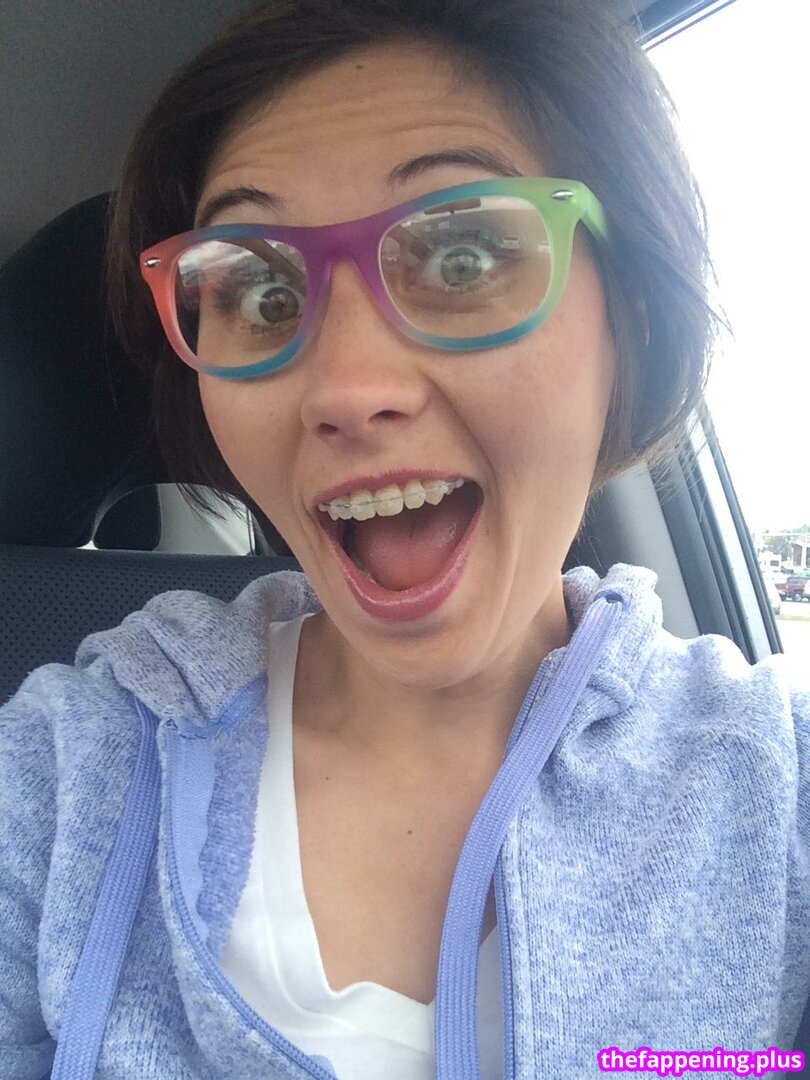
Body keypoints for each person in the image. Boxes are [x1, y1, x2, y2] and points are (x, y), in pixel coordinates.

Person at [2, 0, 809, 1077]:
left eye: (463, 257)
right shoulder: (64, 772)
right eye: (261, 291)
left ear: (635, 318)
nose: (344, 389)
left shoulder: (777, 790)